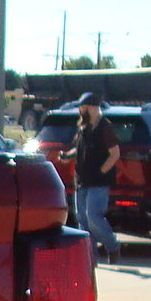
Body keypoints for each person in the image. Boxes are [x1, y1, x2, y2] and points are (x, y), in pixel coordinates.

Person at [56, 92, 121, 262]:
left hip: (98, 181)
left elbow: (115, 153)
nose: (80, 110)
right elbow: (78, 148)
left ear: (93, 107)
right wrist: (67, 155)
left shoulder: (105, 127)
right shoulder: (83, 127)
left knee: (94, 217)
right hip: (81, 179)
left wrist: (102, 171)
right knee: (82, 220)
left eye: (83, 106)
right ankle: (90, 258)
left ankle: (113, 246)